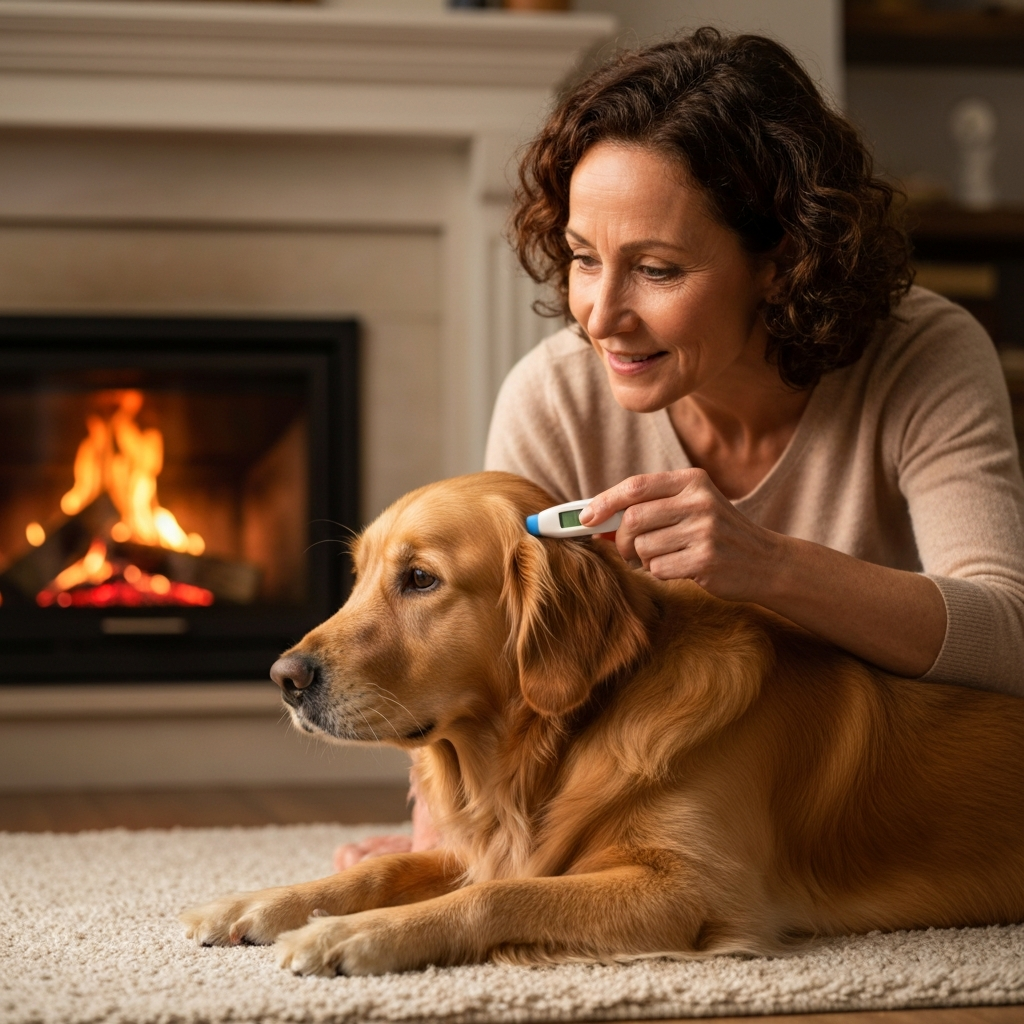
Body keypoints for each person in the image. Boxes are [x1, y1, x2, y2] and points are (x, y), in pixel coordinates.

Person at [334, 28, 1024, 871]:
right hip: (695, 824)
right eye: (586, 259)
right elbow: (483, 661)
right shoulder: (551, 395)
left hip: (897, 813)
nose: (601, 315)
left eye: (657, 270)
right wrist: (444, 841)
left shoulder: (922, 356)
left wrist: (767, 565)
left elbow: (1009, 636)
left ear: (782, 260)